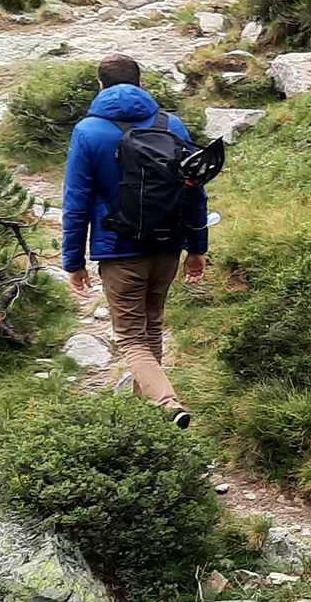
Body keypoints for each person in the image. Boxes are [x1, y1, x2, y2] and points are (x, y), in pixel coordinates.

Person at [60, 54, 208, 428]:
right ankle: (148, 424)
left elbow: (76, 202)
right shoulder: (171, 124)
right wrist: (197, 247)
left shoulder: (88, 131)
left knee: (130, 338)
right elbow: (194, 191)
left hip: (119, 250)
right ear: (141, 84)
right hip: (167, 247)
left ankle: (166, 402)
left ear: (100, 86)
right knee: (151, 329)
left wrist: (73, 262)